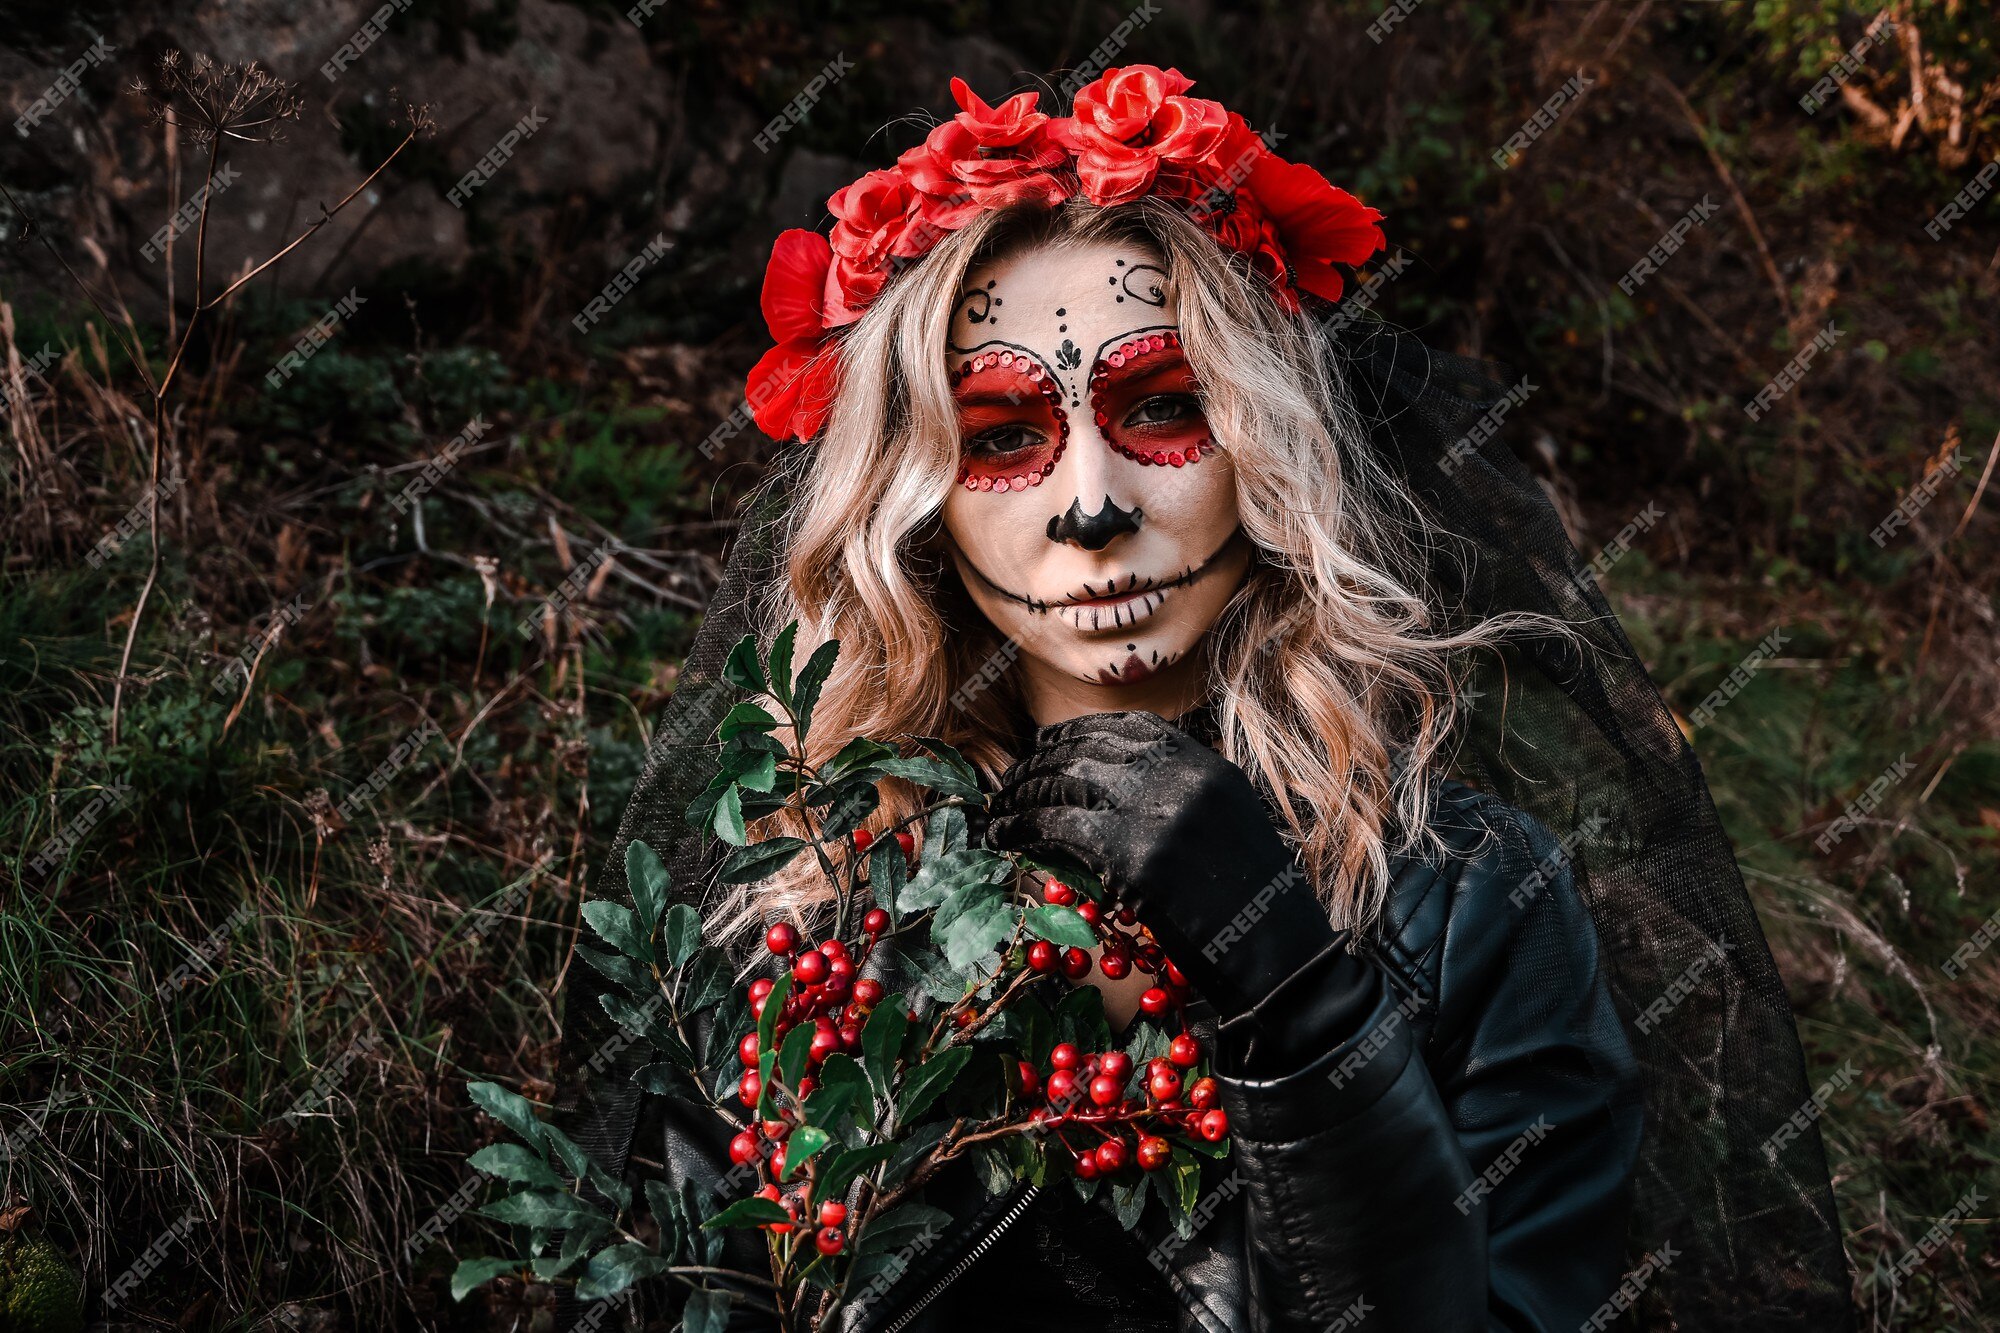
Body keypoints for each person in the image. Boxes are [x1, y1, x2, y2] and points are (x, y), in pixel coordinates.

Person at [551, 66, 1853, 1333]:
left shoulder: (1474, 905)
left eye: (1165, 406)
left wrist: (1296, 997)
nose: (1094, 502)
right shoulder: (807, 905)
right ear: (918, 504)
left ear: (1262, 446)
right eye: (1004, 435)